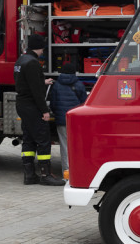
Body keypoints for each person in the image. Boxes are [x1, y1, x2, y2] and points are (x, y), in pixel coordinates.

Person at [14, 34, 64, 186]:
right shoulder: (33, 63)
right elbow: (36, 91)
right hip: (32, 106)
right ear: (39, 47)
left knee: (28, 139)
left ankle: (29, 175)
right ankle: (45, 174)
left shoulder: (21, 61)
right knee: (43, 139)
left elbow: (27, 82)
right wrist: (45, 111)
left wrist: (42, 81)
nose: (43, 51)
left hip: (22, 104)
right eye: (42, 48)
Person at [49, 61, 87, 180]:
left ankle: (67, 175)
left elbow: (53, 103)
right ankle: (79, 172)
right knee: (77, 146)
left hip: (62, 120)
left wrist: (56, 114)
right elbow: (84, 103)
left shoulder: (56, 85)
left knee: (65, 147)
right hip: (75, 121)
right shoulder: (79, 84)